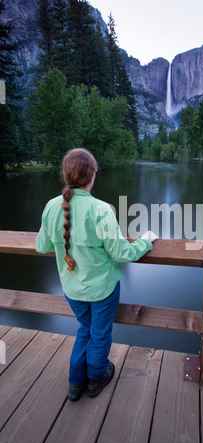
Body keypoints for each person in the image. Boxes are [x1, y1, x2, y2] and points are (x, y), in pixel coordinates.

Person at [36, 148, 157, 401]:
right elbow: (122, 252)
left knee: (85, 329)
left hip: (72, 289)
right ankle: (96, 379)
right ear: (91, 176)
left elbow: (42, 246)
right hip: (102, 290)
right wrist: (146, 240)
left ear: (66, 175)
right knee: (99, 333)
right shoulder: (101, 209)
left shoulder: (51, 207)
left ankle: (75, 383)